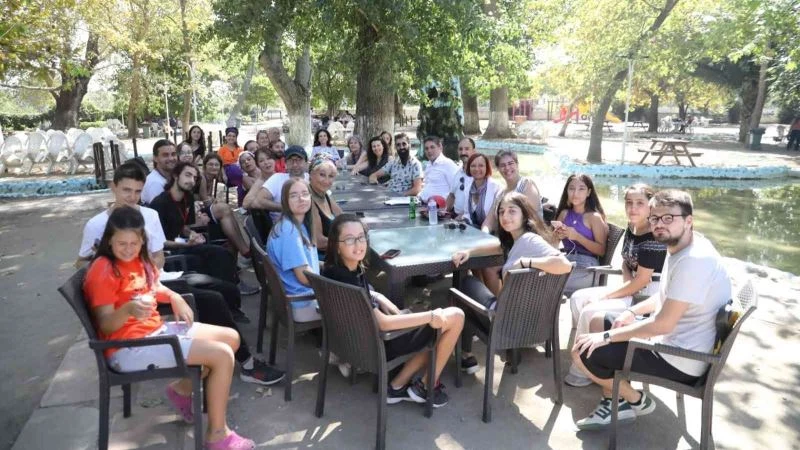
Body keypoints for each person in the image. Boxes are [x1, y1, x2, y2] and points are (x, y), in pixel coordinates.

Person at [77, 162, 284, 386]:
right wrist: (112, 262)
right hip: (130, 295)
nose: (132, 197)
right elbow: (81, 264)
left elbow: (159, 257)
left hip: (155, 280)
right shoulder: (97, 224)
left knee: (221, 281)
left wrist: (146, 266)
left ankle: (225, 333)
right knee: (211, 299)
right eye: (126, 190)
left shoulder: (149, 215)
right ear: (113, 187)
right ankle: (246, 363)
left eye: (137, 191)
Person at [82, 206, 256, 449]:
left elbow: (155, 287)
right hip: (127, 349)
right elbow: (106, 325)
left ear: (142, 241)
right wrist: (128, 310)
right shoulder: (103, 269)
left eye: (134, 243)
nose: (129, 249)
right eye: (122, 243)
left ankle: (182, 391)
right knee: (222, 354)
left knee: (231, 338)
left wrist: (175, 297)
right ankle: (217, 435)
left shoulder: (137, 260)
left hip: (153, 333)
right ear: (109, 240)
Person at [572, 189, 731, 430]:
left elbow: (662, 325)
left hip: (680, 359)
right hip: (672, 342)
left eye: (668, 218)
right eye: (655, 218)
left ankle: (636, 399)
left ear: (688, 220)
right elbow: (666, 295)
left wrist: (607, 336)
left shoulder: (693, 261)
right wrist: (631, 313)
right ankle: (616, 403)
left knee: (582, 350)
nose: (659, 224)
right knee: (597, 320)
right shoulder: (683, 245)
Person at [323, 214, 464, 407]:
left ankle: (397, 386)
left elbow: (363, 298)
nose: (358, 244)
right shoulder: (350, 281)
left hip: (355, 341)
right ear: (336, 245)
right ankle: (426, 386)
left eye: (361, 237)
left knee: (426, 315)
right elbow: (383, 323)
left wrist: (376, 295)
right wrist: (430, 316)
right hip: (377, 344)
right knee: (455, 317)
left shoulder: (334, 271)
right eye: (349, 239)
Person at [451, 192, 571, 374]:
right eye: (501, 212)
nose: (505, 216)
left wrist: (526, 262)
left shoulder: (530, 240)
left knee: (464, 285)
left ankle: (466, 355)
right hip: (529, 323)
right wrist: (469, 251)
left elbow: (564, 264)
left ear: (525, 215)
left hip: (505, 325)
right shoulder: (519, 240)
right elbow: (498, 246)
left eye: (512, 211)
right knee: (468, 293)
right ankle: (491, 353)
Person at [564, 184, 667, 387]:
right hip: (632, 287)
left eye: (639, 203)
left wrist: (609, 295)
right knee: (577, 298)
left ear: (651, 207)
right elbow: (625, 262)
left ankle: (584, 369)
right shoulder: (633, 226)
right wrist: (627, 282)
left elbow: (642, 281)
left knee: (589, 310)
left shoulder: (653, 238)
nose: (633, 208)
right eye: (629, 202)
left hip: (646, 298)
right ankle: (589, 354)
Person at [149, 162, 257, 296]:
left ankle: (232, 289)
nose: (191, 181)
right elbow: (158, 243)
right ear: (176, 176)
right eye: (187, 175)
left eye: (194, 178)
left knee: (223, 251)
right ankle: (228, 291)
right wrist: (186, 243)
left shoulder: (187, 197)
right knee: (216, 256)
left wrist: (192, 234)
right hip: (167, 252)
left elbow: (183, 227)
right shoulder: (160, 204)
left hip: (181, 243)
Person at [266, 178, 321, 322]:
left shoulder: (296, 224)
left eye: (305, 194)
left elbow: (306, 261)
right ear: (285, 201)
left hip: (304, 297)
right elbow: (304, 277)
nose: (301, 199)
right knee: (359, 307)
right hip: (302, 304)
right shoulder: (289, 231)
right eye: (293, 195)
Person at [553, 174, 609, 294]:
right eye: (571, 188)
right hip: (566, 261)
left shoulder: (594, 217)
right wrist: (557, 237)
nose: (575, 193)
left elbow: (601, 250)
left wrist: (577, 237)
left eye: (581, 189)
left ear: (588, 192)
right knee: (539, 278)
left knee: (550, 284)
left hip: (587, 266)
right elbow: (552, 245)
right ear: (567, 190)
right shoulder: (564, 214)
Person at [243, 145, 309, 221]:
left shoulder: (312, 178)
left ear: (306, 162)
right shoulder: (277, 178)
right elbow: (255, 202)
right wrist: (286, 208)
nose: (295, 164)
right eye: (291, 161)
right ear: (285, 163)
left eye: (299, 160)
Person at [481, 150, 543, 230]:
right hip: (504, 235)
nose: (507, 168)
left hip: (528, 235)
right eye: (502, 165)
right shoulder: (501, 194)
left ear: (517, 165)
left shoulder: (527, 185)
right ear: (498, 169)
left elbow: (529, 219)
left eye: (510, 163)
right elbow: (488, 222)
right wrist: (484, 233)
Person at [308, 154, 344, 257]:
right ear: (311, 174)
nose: (327, 181)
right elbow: (319, 242)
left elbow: (343, 218)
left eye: (331, 176)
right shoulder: (307, 199)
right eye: (322, 175)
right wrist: (348, 242)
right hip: (319, 258)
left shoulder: (324, 194)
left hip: (334, 250)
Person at [456, 153, 502, 227]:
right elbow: (467, 213)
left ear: (487, 167)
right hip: (473, 228)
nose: (476, 169)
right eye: (473, 166)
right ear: (469, 168)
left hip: (492, 229)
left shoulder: (496, 187)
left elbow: (497, 217)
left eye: (481, 165)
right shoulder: (468, 188)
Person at [419, 135, 459, 203]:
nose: (429, 151)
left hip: (440, 207)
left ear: (440, 147)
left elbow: (456, 190)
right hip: (424, 204)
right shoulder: (429, 165)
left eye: (432, 147)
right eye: (426, 148)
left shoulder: (448, 164)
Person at [446, 137, 478, 215]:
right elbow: (451, 196)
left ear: (474, 151)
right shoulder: (458, 173)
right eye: (460, 149)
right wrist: (443, 212)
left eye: (467, 149)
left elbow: (480, 202)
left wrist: (463, 216)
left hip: (472, 218)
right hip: (455, 216)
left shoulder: (479, 174)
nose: (463, 152)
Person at [142, 139, 177, 204]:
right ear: (155, 158)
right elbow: (160, 209)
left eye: (173, 154)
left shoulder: (171, 176)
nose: (171, 158)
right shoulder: (155, 183)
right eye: (165, 155)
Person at [217, 127, 244, 193]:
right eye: (229, 136)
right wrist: (224, 175)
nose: (231, 138)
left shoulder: (240, 149)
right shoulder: (222, 150)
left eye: (233, 136)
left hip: (239, 170)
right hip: (227, 171)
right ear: (226, 137)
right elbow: (220, 164)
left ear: (236, 138)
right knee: (233, 168)